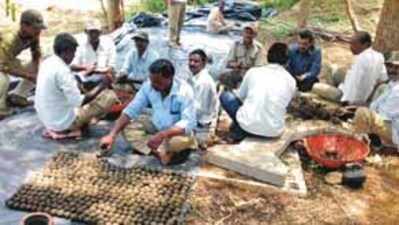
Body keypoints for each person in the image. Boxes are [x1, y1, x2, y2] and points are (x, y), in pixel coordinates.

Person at [100, 59, 198, 165]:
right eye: (152, 81)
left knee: (176, 143)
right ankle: (159, 152)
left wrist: (162, 135)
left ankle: (160, 147)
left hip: (175, 132)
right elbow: (131, 109)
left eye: (158, 82)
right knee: (127, 127)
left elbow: (188, 122)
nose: (154, 85)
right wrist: (112, 135)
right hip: (156, 124)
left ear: (170, 78)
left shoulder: (184, 90)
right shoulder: (149, 86)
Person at [35, 33, 118, 140]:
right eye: (73, 52)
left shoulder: (47, 62)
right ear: (66, 51)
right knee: (109, 96)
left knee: (84, 90)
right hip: (62, 123)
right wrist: (102, 85)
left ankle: (72, 125)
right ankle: (70, 129)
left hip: (46, 118)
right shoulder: (62, 71)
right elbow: (78, 102)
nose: (74, 56)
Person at [220, 42, 296, 142]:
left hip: (247, 125)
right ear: (287, 61)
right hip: (274, 130)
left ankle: (239, 131)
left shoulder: (253, 72)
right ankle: (241, 129)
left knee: (226, 96)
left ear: (268, 57)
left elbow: (240, 96)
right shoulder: (291, 80)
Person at [312, 31, 388, 105]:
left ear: (365, 44)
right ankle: (332, 85)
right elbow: (383, 79)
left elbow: (354, 84)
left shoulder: (361, 59)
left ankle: (331, 88)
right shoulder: (379, 56)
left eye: (354, 44)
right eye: (350, 43)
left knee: (315, 86)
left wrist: (347, 102)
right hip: (362, 95)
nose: (350, 47)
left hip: (345, 97)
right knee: (335, 70)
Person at [0, 9, 47, 120]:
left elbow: (36, 54)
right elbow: (3, 66)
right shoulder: (9, 38)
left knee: (42, 67)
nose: (38, 31)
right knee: (3, 79)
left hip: (8, 60)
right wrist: (29, 76)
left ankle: (18, 96)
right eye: (35, 28)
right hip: (2, 62)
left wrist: (38, 71)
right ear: (24, 25)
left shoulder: (33, 35)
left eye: (39, 28)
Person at [352, 51, 399, 149]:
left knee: (362, 113)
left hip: (395, 130)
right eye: (390, 66)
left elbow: (384, 115)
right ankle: (371, 140)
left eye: (397, 67)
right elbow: (375, 105)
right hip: (388, 121)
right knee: (362, 109)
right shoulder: (391, 84)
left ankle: (359, 147)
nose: (392, 70)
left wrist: (364, 114)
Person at [71, 20, 116, 90]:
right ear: (85, 32)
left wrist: (97, 70)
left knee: (106, 77)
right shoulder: (80, 46)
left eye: (96, 32)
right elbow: (72, 65)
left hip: (103, 76)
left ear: (100, 32)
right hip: (85, 77)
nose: (94, 35)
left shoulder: (108, 43)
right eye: (91, 32)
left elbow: (111, 66)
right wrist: (86, 67)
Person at [187, 49, 219, 146]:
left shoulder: (203, 82)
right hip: (195, 121)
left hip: (201, 127)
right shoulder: (193, 77)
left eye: (196, 61)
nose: (192, 63)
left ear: (204, 63)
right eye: (190, 60)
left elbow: (197, 109)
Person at [221, 23, 266, 89]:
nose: (248, 35)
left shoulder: (259, 48)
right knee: (223, 77)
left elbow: (258, 68)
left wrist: (246, 68)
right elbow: (228, 62)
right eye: (246, 32)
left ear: (254, 35)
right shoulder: (236, 44)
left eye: (251, 33)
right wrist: (235, 65)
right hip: (237, 73)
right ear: (242, 33)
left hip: (250, 76)